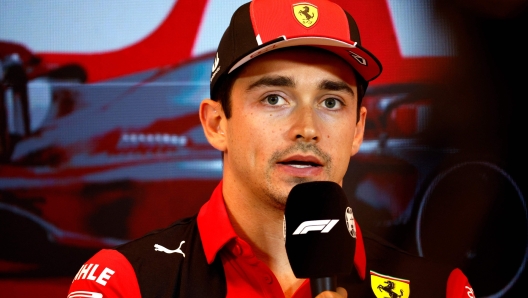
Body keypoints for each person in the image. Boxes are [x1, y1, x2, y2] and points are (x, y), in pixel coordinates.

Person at [68, 0, 475, 297]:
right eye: (274, 98)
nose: (307, 129)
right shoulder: (126, 282)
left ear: (357, 131)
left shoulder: (442, 289)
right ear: (216, 123)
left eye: (331, 102)